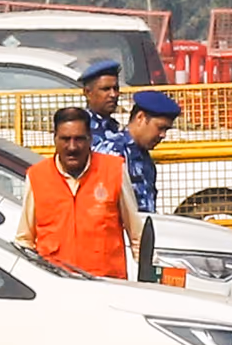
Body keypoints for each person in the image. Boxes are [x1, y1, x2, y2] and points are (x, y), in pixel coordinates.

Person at [14, 107, 142, 279]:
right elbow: (24, 240)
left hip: (106, 285)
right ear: (55, 139)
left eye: (79, 139)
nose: (72, 147)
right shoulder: (37, 176)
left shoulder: (114, 170)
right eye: (65, 139)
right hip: (56, 285)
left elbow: (137, 235)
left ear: (90, 139)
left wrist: (149, 279)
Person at [96, 90, 181, 213]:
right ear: (140, 118)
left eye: (166, 130)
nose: (163, 135)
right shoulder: (113, 153)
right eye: (160, 128)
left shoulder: (144, 156)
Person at [81, 60, 124, 145]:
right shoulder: (83, 129)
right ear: (88, 93)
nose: (113, 94)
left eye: (116, 89)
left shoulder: (112, 125)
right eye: (106, 89)